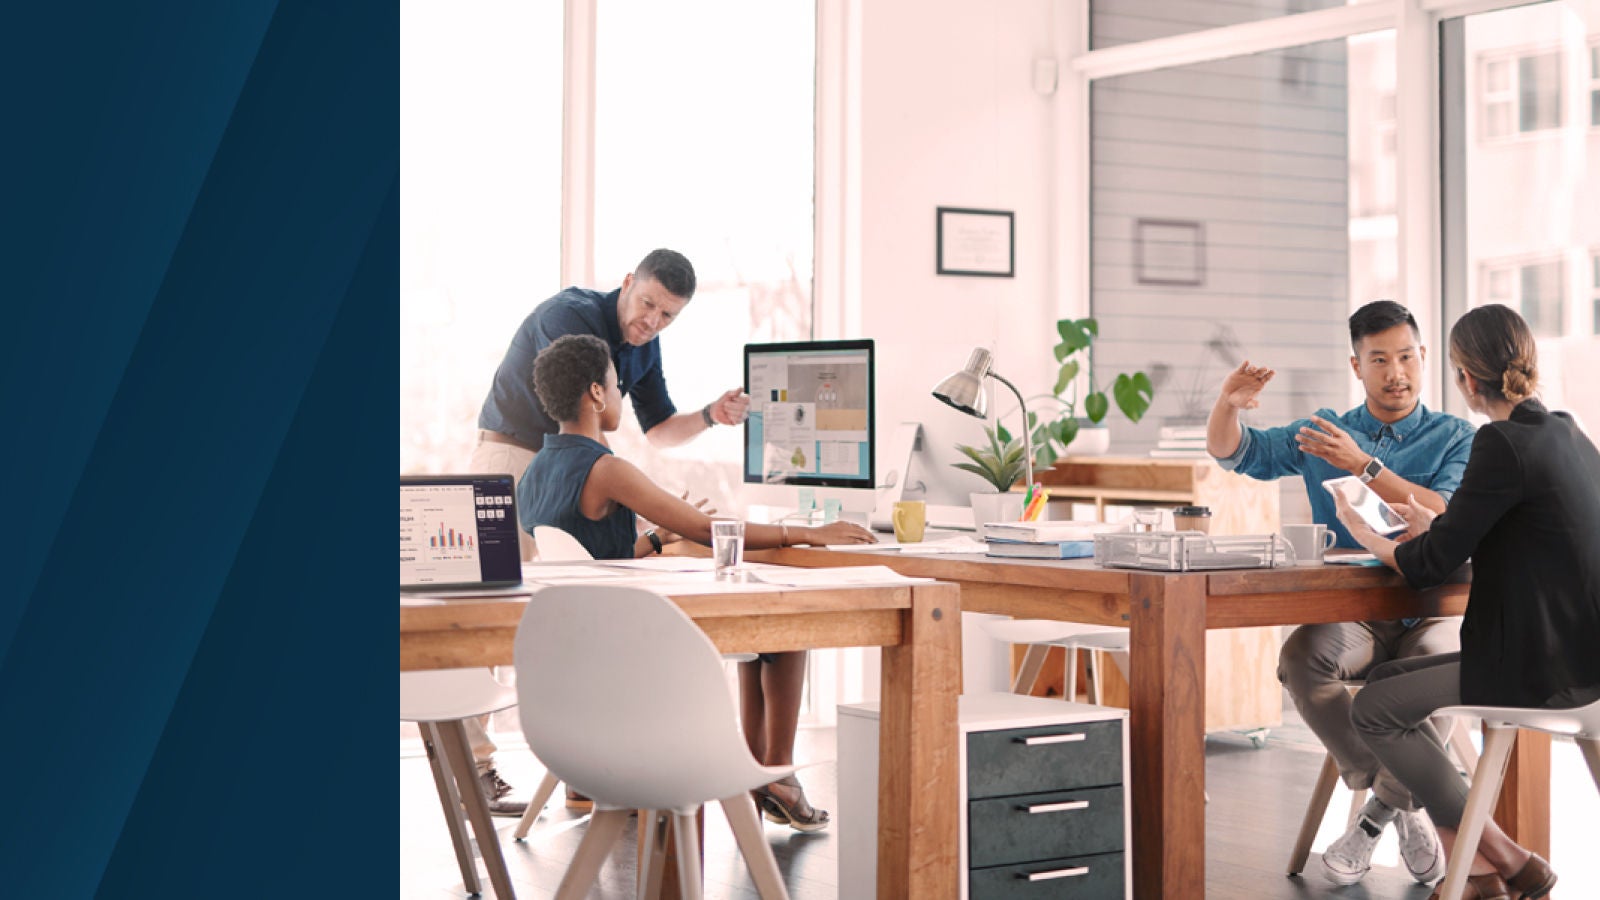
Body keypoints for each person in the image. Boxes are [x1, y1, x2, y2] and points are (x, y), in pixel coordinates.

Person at [520, 334, 878, 831]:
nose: (621, 394)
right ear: (596, 394)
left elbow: (588, 557)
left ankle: (765, 775)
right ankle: (774, 772)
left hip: (588, 649)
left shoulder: (535, 471)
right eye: (616, 384)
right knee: (786, 624)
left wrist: (655, 541)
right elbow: (703, 528)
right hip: (635, 647)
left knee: (763, 631)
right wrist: (807, 533)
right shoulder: (606, 469)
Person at [1207, 300, 1478, 886]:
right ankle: (1400, 801)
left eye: (1405, 357)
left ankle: (1373, 820)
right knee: (1302, 659)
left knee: (1434, 669)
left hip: (1432, 610)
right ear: (1356, 366)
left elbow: (1447, 512)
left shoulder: (1456, 435)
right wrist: (1226, 405)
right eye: (1379, 359)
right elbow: (1235, 453)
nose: (1395, 372)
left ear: (1423, 357)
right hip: (1354, 613)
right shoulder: (1328, 429)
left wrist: (1366, 466)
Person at [467, 248, 748, 814]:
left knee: (581, 612)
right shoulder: (571, 316)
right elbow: (574, 413)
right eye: (648, 305)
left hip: (569, 464)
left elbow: (661, 431)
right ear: (627, 284)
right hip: (515, 458)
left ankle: (585, 765)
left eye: (668, 316)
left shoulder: (644, 347)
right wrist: (626, 494)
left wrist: (710, 416)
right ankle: (476, 766)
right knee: (500, 610)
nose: (652, 322)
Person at [1338, 304, 1600, 900]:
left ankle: (1502, 858)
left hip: (1540, 669)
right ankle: (1501, 864)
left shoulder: (1498, 442)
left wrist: (1369, 535)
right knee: (1392, 675)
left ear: (1463, 377)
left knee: (1374, 707)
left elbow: (1428, 565)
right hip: (1586, 657)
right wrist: (1436, 516)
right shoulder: (1566, 430)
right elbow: (1520, 527)